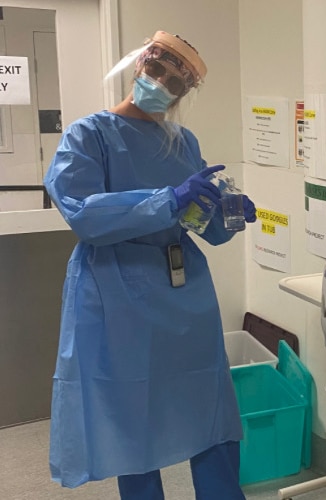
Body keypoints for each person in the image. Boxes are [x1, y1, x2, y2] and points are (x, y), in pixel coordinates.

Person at [43, 31, 255, 500]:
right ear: (140, 65)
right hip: (115, 290)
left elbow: (205, 226)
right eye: (156, 70)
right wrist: (168, 199)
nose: (160, 83)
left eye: (175, 82)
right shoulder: (89, 135)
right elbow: (82, 213)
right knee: (130, 416)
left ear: (183, 94)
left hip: (184, 290)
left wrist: (228, 214)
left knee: (210, 406)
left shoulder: (181, 142)